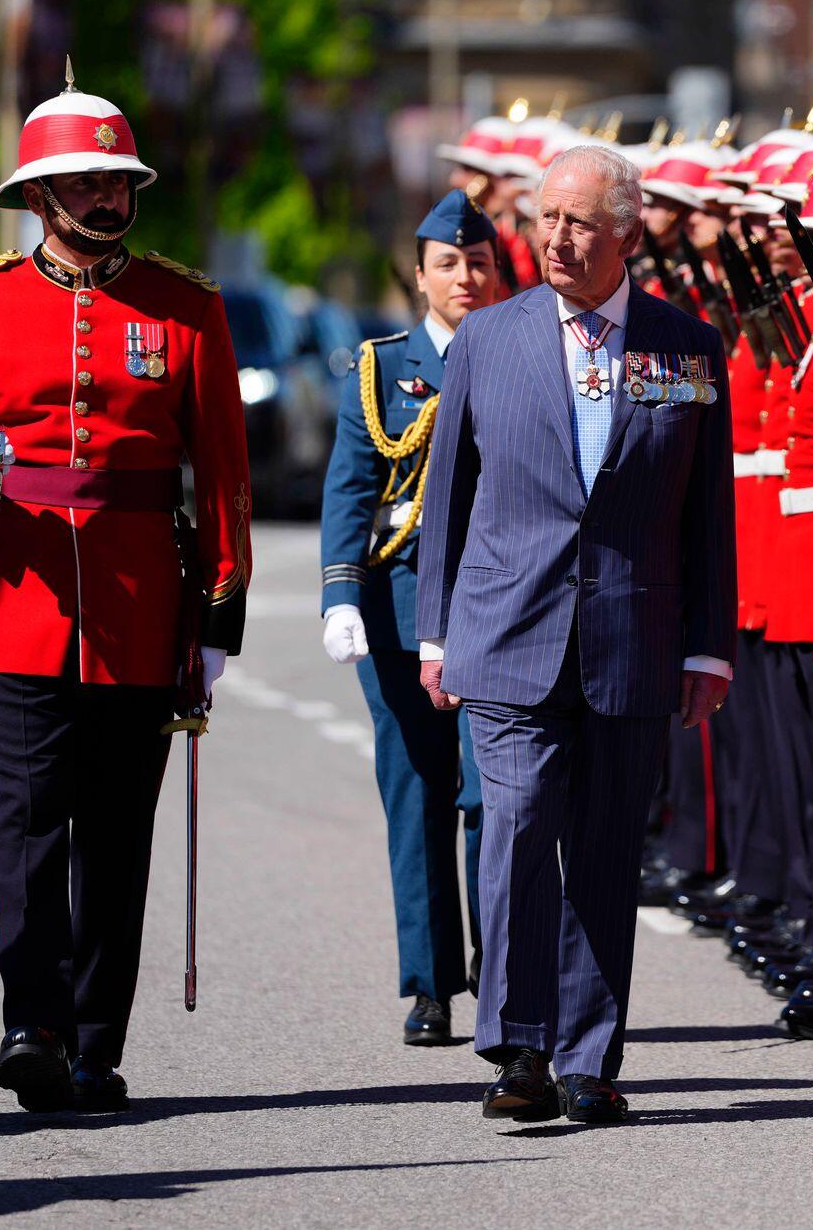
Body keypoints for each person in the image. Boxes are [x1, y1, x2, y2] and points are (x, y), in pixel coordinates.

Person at [0, 66, 249, 1114]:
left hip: (141, 601)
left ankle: (95, 1042)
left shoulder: (186, 306)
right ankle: (33, 1023)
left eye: (118, 181)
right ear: (40, 197)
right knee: (28, 817)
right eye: (86, 183)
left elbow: (222, 469)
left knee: (116, 829)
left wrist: (218, 607)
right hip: (20, 592)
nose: (107, 197)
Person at [415, 143, 736, 1125]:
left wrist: (707, 645)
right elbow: (447, 497)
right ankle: (519, 1048)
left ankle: (589, 1058)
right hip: (507, 630)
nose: (555, 238)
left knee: (604, 850)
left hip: (631, 636)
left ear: (627, 235)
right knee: (515, 826)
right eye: (546, 219)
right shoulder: (488, 337)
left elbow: (707, 510)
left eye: (579, 223)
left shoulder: (684, 346)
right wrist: (435, 634)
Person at [319, 188, 508, 1047]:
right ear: (420, 277)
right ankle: (430, 984)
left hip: (494, 608)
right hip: (398, 606)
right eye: (448, 264)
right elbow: (350, 488)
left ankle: (500, 969)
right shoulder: (380, 367)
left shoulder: (520, 354)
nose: (465, 276)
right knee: (417, 792)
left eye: (479, 262)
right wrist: (340, 593)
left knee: (492, 798)